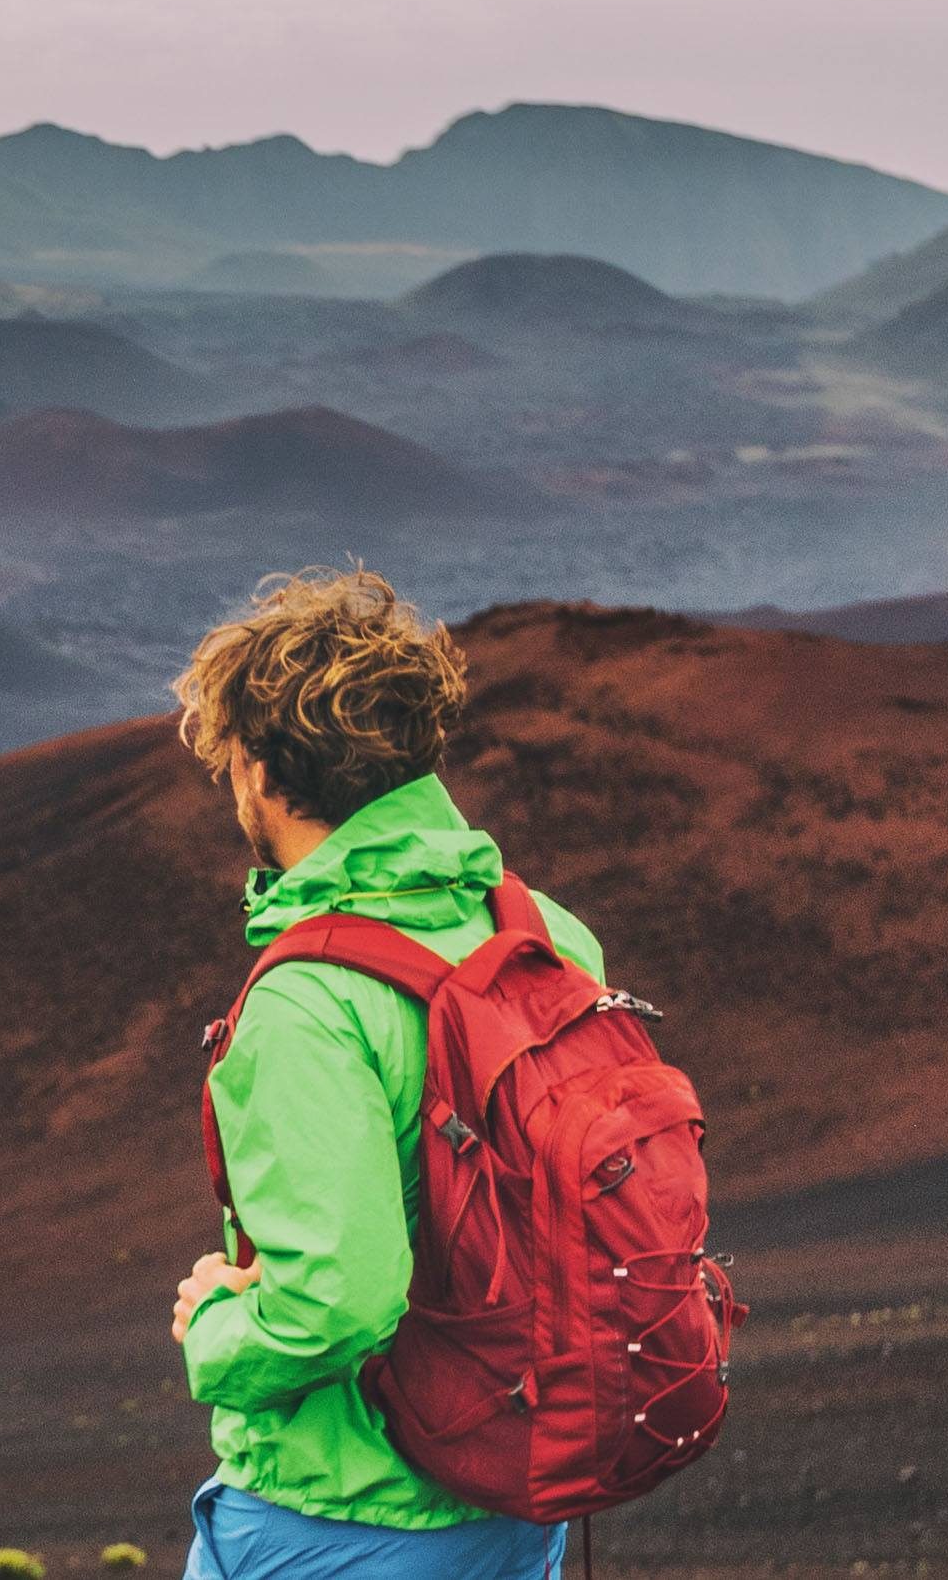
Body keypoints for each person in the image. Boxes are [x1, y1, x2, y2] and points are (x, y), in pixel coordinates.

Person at [166, 569, 581, 1579]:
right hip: (515, 1495)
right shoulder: (543, 935)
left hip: (339, 1517)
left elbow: (335, 1305)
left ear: (261, 770)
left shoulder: (307, 1002)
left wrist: (215, 1324)